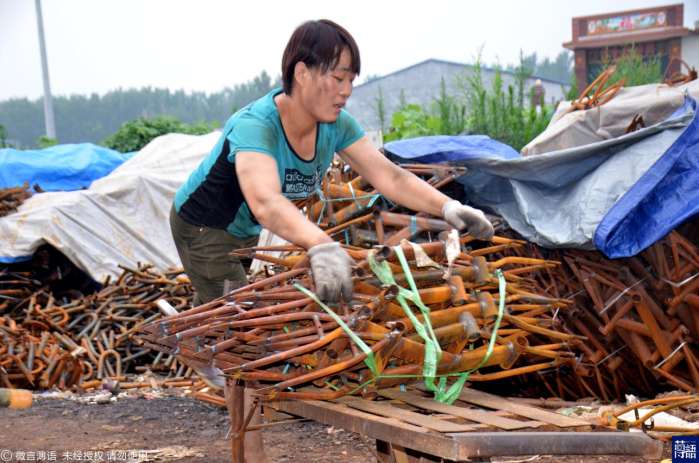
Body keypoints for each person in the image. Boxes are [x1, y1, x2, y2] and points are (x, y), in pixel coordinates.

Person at [169, 19, 493, 462]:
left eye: (351, 81)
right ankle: (223, 386)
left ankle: (203, 332)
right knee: (239, 328)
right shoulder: (256, 125)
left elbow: (390, 176)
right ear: (302, 73)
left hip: (243, 231)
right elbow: (265, 201)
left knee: (237, 311)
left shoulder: (336, 125)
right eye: (337, 78)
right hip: (203, 227)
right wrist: (321, 246)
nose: (345, 91)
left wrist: (447, 209)